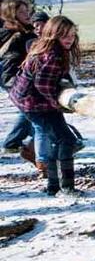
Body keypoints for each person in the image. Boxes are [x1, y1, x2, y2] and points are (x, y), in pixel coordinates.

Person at [7, 16, 82, 196]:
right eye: (64, 35)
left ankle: (53, 185)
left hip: (29, 101)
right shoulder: (53, 55)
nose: (69, 39)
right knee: (67, 140)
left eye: (72, 35)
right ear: (53, 35)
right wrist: (57, 104)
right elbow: (43, 84)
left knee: (59, 139)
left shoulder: (46, 49)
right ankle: (66, 187)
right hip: (35, 104)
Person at [1, 0, 38, 155]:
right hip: (16, 80)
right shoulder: (19, 35)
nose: (28, 14)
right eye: (22, 12)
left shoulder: (24, 32)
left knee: (30, 111)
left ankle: (13, 142)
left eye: (27, 10)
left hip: (17, 79)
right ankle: (15, 143)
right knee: (33, 111)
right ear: (12, 15)